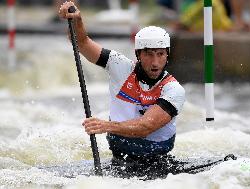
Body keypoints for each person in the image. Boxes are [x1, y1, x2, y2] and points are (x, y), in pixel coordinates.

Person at [58, 1, 186, 179]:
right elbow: (82, 42)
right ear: (138, 55)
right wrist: (77, 19)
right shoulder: (120, 65)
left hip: (157, 165)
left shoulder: (174, 90)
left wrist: (105, 126)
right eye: (149, 54)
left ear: (167, 55)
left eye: (160, 54)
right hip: (119, 160)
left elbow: (145, 127)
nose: (155, 62)